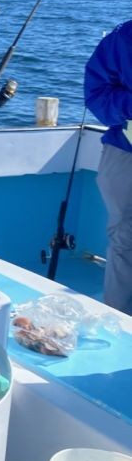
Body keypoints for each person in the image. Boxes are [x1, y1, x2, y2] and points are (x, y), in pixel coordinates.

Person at [84, 21, 132, 314]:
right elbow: (96, 93)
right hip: (125, 152)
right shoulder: (124, 38)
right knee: (124, 238)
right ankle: (120, 321)